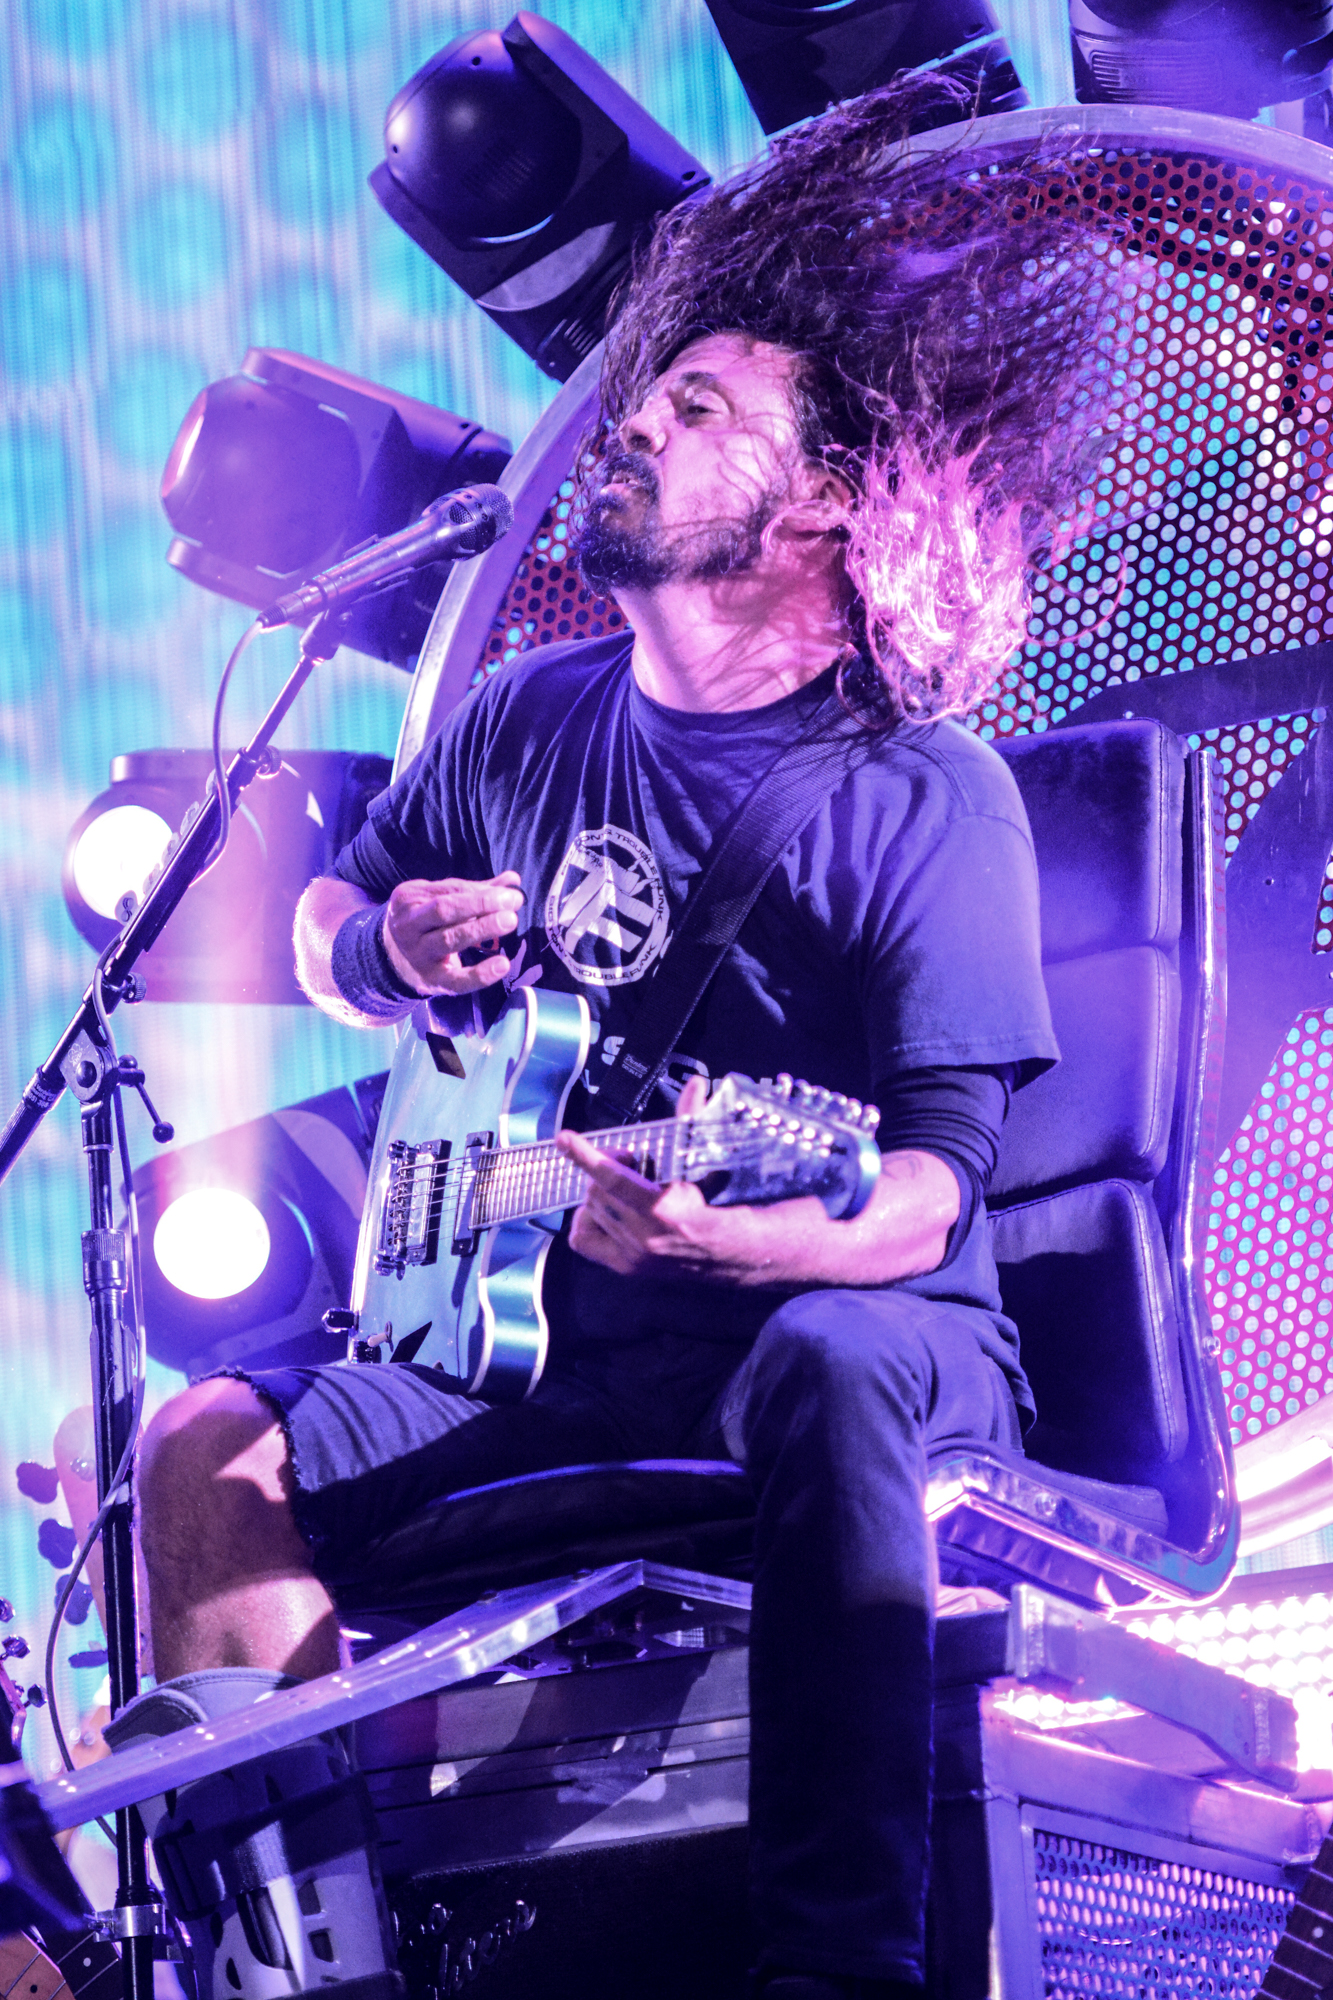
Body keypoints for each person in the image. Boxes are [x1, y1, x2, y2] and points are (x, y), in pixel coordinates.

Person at [115, 75, 1131, 2000]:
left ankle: (836, 1967)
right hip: (545, 1330)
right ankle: (294, 1963)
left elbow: (926, 1193)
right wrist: (373, 950)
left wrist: (747, 1242)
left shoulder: (923, 792)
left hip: (852, 1320)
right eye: (645, 400)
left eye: (701, 411)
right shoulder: (523, 717)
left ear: (820, 503)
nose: (637, 427)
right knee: (201, 1444)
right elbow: (331, 927)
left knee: (827, 1359)